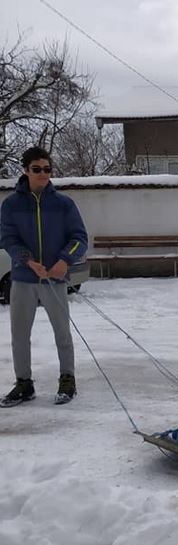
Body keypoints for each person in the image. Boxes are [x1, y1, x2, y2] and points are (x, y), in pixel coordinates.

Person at [0, 146, 88, 407]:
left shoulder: (63, 204)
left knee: (62, 332)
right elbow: (7, 238)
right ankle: (24, 383)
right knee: (19, 334)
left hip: (55, 279)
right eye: (37, 169)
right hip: (24, 280)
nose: (43, 174)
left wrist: (64, 260)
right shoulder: (11, 205)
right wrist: (26, 260)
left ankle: (67, 379)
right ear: (26, 171)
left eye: (47, 169)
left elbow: (79, 238)